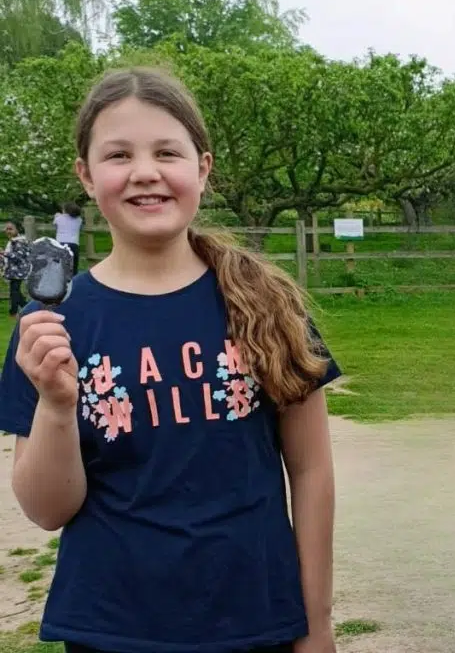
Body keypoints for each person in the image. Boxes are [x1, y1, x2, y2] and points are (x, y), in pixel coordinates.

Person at [0, 66, 342, 653]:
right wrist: (58, 407)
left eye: (167, 152)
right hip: (112, 627)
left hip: (256, 619)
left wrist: (317, 623)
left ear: (202, 168)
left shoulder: (267, 303)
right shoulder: (53, 325)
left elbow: (310, 472)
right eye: (117, 156)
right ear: (86, 175)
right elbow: (47, 510)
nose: (145, 173)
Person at [3, 221, 30, 317]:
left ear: (18, 229)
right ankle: (27, 307)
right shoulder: (14, 241)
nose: (7, 231)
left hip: (18, 271)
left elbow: (18, 257)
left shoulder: (19, 242)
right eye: (6, 229)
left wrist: (4, 253)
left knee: (14, 291)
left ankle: (13, 312)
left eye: (10, 229)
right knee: (15, 291)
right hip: (14, 270)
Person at [53, 202, 83, 275]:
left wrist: (56, 216)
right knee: (73, 268)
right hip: (74, 244)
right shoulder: (79, 220)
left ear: (65, 210)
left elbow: (55, 227)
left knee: (60, 268)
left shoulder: (58, 218)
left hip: (60, 244)